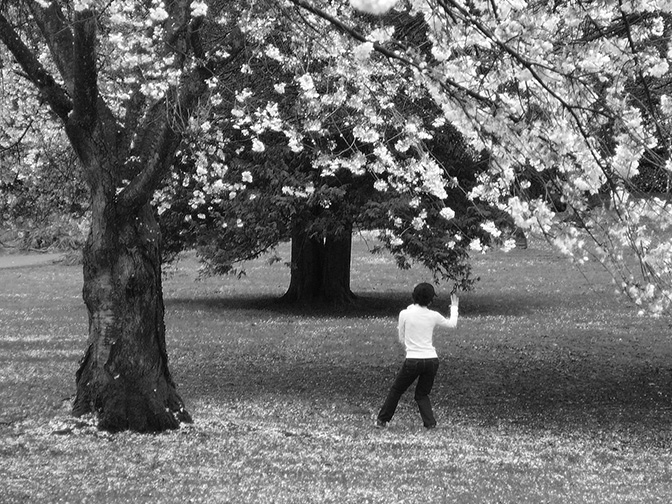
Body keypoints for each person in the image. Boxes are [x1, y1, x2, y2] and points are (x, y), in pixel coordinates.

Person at [375, 282, 459, 430]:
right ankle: (430, 423)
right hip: (432, 360)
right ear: (430, 300)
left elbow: (401, 338)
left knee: (397, 390)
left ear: (414, 296)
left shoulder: (404, 314)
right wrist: (454, 306)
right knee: (422, 394)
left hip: (413, 359)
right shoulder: (433, 315)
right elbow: (452, 324)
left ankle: (383, 420)